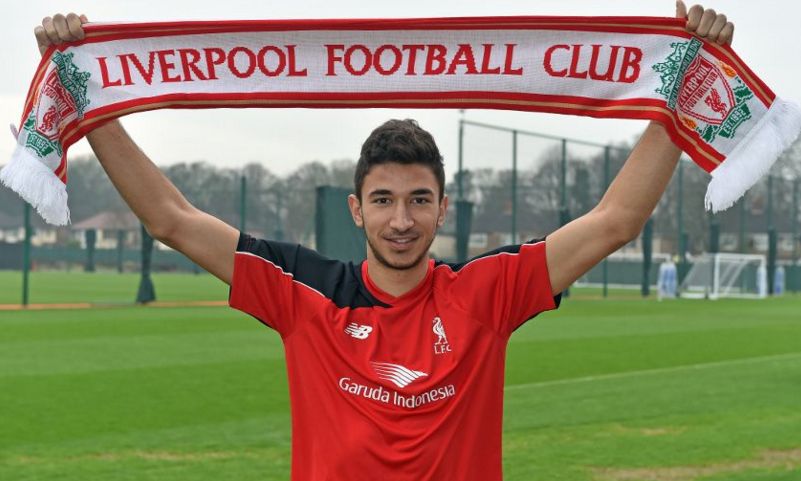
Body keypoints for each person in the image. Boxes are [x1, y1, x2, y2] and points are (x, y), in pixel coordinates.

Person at [35, 2, 733, 480]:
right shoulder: (300, 291)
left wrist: (678, 89)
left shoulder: (487, 291)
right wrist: (89, 101)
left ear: (441, 207)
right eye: (384, 201)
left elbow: (615, 220)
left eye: (418, 200)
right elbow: (171, 218)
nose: (402, 219)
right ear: (357, 209)